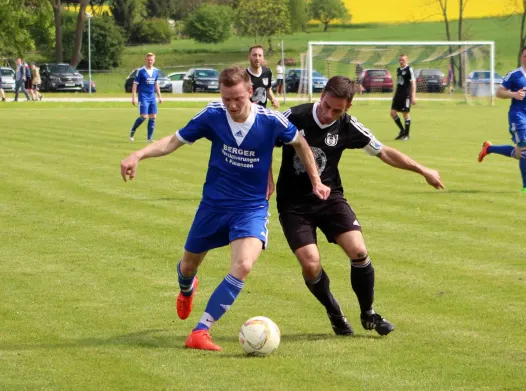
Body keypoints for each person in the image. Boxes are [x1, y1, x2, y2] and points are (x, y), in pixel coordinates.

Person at [120, 66, 330, 352]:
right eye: (226, 99)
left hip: (251, 207)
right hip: (214, 206)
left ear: (250, 94)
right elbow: (175, 140)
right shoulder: (213, 115)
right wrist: (139, 154)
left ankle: (201, 330)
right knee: (188, 266)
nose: (231, 105)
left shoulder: (270, 120)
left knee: (243, 264)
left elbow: (300, 143)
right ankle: (186, 288)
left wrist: (315, 180)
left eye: (237, 99)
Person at [275, 76, 445, 337]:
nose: (329, 113)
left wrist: (422, 170)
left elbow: (383, 151)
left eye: (337, 110)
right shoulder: (293, 116)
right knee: (311, 264)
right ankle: (334, 312)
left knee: (359, 251)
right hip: (293, 204)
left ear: (348, 107)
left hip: (329, 198)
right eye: (326, 105)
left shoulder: (347, 125)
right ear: (321, 95)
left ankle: (369, 312)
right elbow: (262, 144)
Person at [478, 46, 526, 193]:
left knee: (520, 153)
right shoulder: (514, 75)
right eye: (525, 56)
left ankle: (489, 148)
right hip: (517, 117)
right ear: (521, 58)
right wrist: (514, 95)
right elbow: (499, 93)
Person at [129, 53, 163, 142]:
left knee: (153, 117)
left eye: (151, 60)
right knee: (144, 116)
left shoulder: (156, 71)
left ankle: (149, 138)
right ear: (145, 60)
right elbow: (135, 85)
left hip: (152, 96)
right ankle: (132, 130)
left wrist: (160, 96)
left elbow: (156, 84)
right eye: (148, 60)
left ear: (154, 60)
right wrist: (134, 97)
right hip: (143, 96)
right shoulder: (140, 71)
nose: (150, 61)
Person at [390, 54, 416, 141]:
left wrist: (413, 96)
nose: (401, 62)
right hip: (398, 94)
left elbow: (413, 83)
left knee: (405, 114)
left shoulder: (409, 69)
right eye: (400, 60)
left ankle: (407, 135)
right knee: (393, 113)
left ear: (407, 60)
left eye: (403, 60)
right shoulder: (398, 70)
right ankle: (402, 131)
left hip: (406, 95)